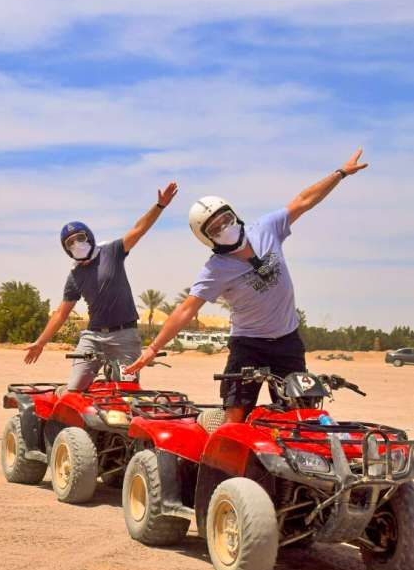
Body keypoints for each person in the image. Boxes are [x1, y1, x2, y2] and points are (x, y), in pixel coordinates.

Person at [126, 149, 369, 424]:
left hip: (287, 341)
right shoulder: (215, 269)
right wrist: (153, 349)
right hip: (248, 345)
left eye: (226, 219)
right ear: (206, 238)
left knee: (299, 416)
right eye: (215, 228)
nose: (225, 227)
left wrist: (340, 174)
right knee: (235, 416)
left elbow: (303, 201)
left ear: (234, 214)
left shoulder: (266, 228)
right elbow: (186, 310)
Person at [23, 182, 179, 390]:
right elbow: (61, 313)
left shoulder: (111, 252)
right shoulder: (75, 275)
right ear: (66, 249)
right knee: (75, 388)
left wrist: (159, 206)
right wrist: (41, 342)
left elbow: (138, 230)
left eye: (80, 238)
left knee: (127, 392)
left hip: (124, 335)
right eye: (70, 243)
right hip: (93, 336)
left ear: (89, 237)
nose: (76, 244)